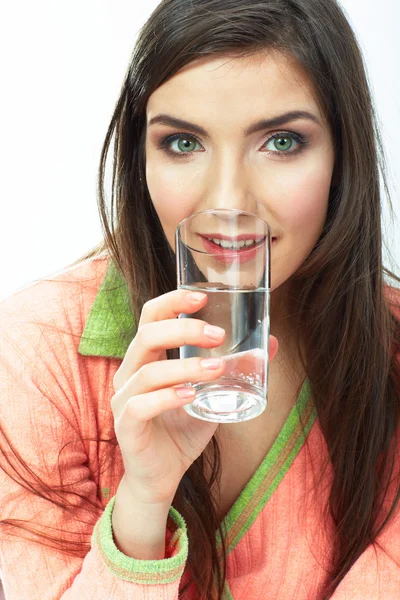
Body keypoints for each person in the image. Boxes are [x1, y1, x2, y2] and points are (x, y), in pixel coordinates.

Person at [1, 0, 400, 598]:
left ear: (341, 157)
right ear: (141, 157)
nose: (228, 200)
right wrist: (143, 504)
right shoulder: (37, 352)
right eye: (184, 143)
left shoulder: (390, 350)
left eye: (282, 142)